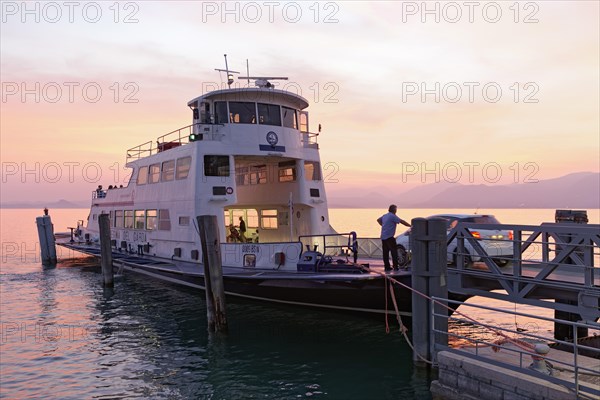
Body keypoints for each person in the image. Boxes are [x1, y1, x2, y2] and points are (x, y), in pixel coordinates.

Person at [377, 204, 411, 271]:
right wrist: (410, 225)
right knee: (394, 252)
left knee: (385, 253)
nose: (396, 211)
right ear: (394, 210)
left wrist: (383, 225)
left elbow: (378, 220)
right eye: (396, 209)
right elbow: (401, 221)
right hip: (389, 236)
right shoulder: (393, 216)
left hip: (383, 236)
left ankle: (387, 267)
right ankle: (395, 267)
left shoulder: (385, 215)